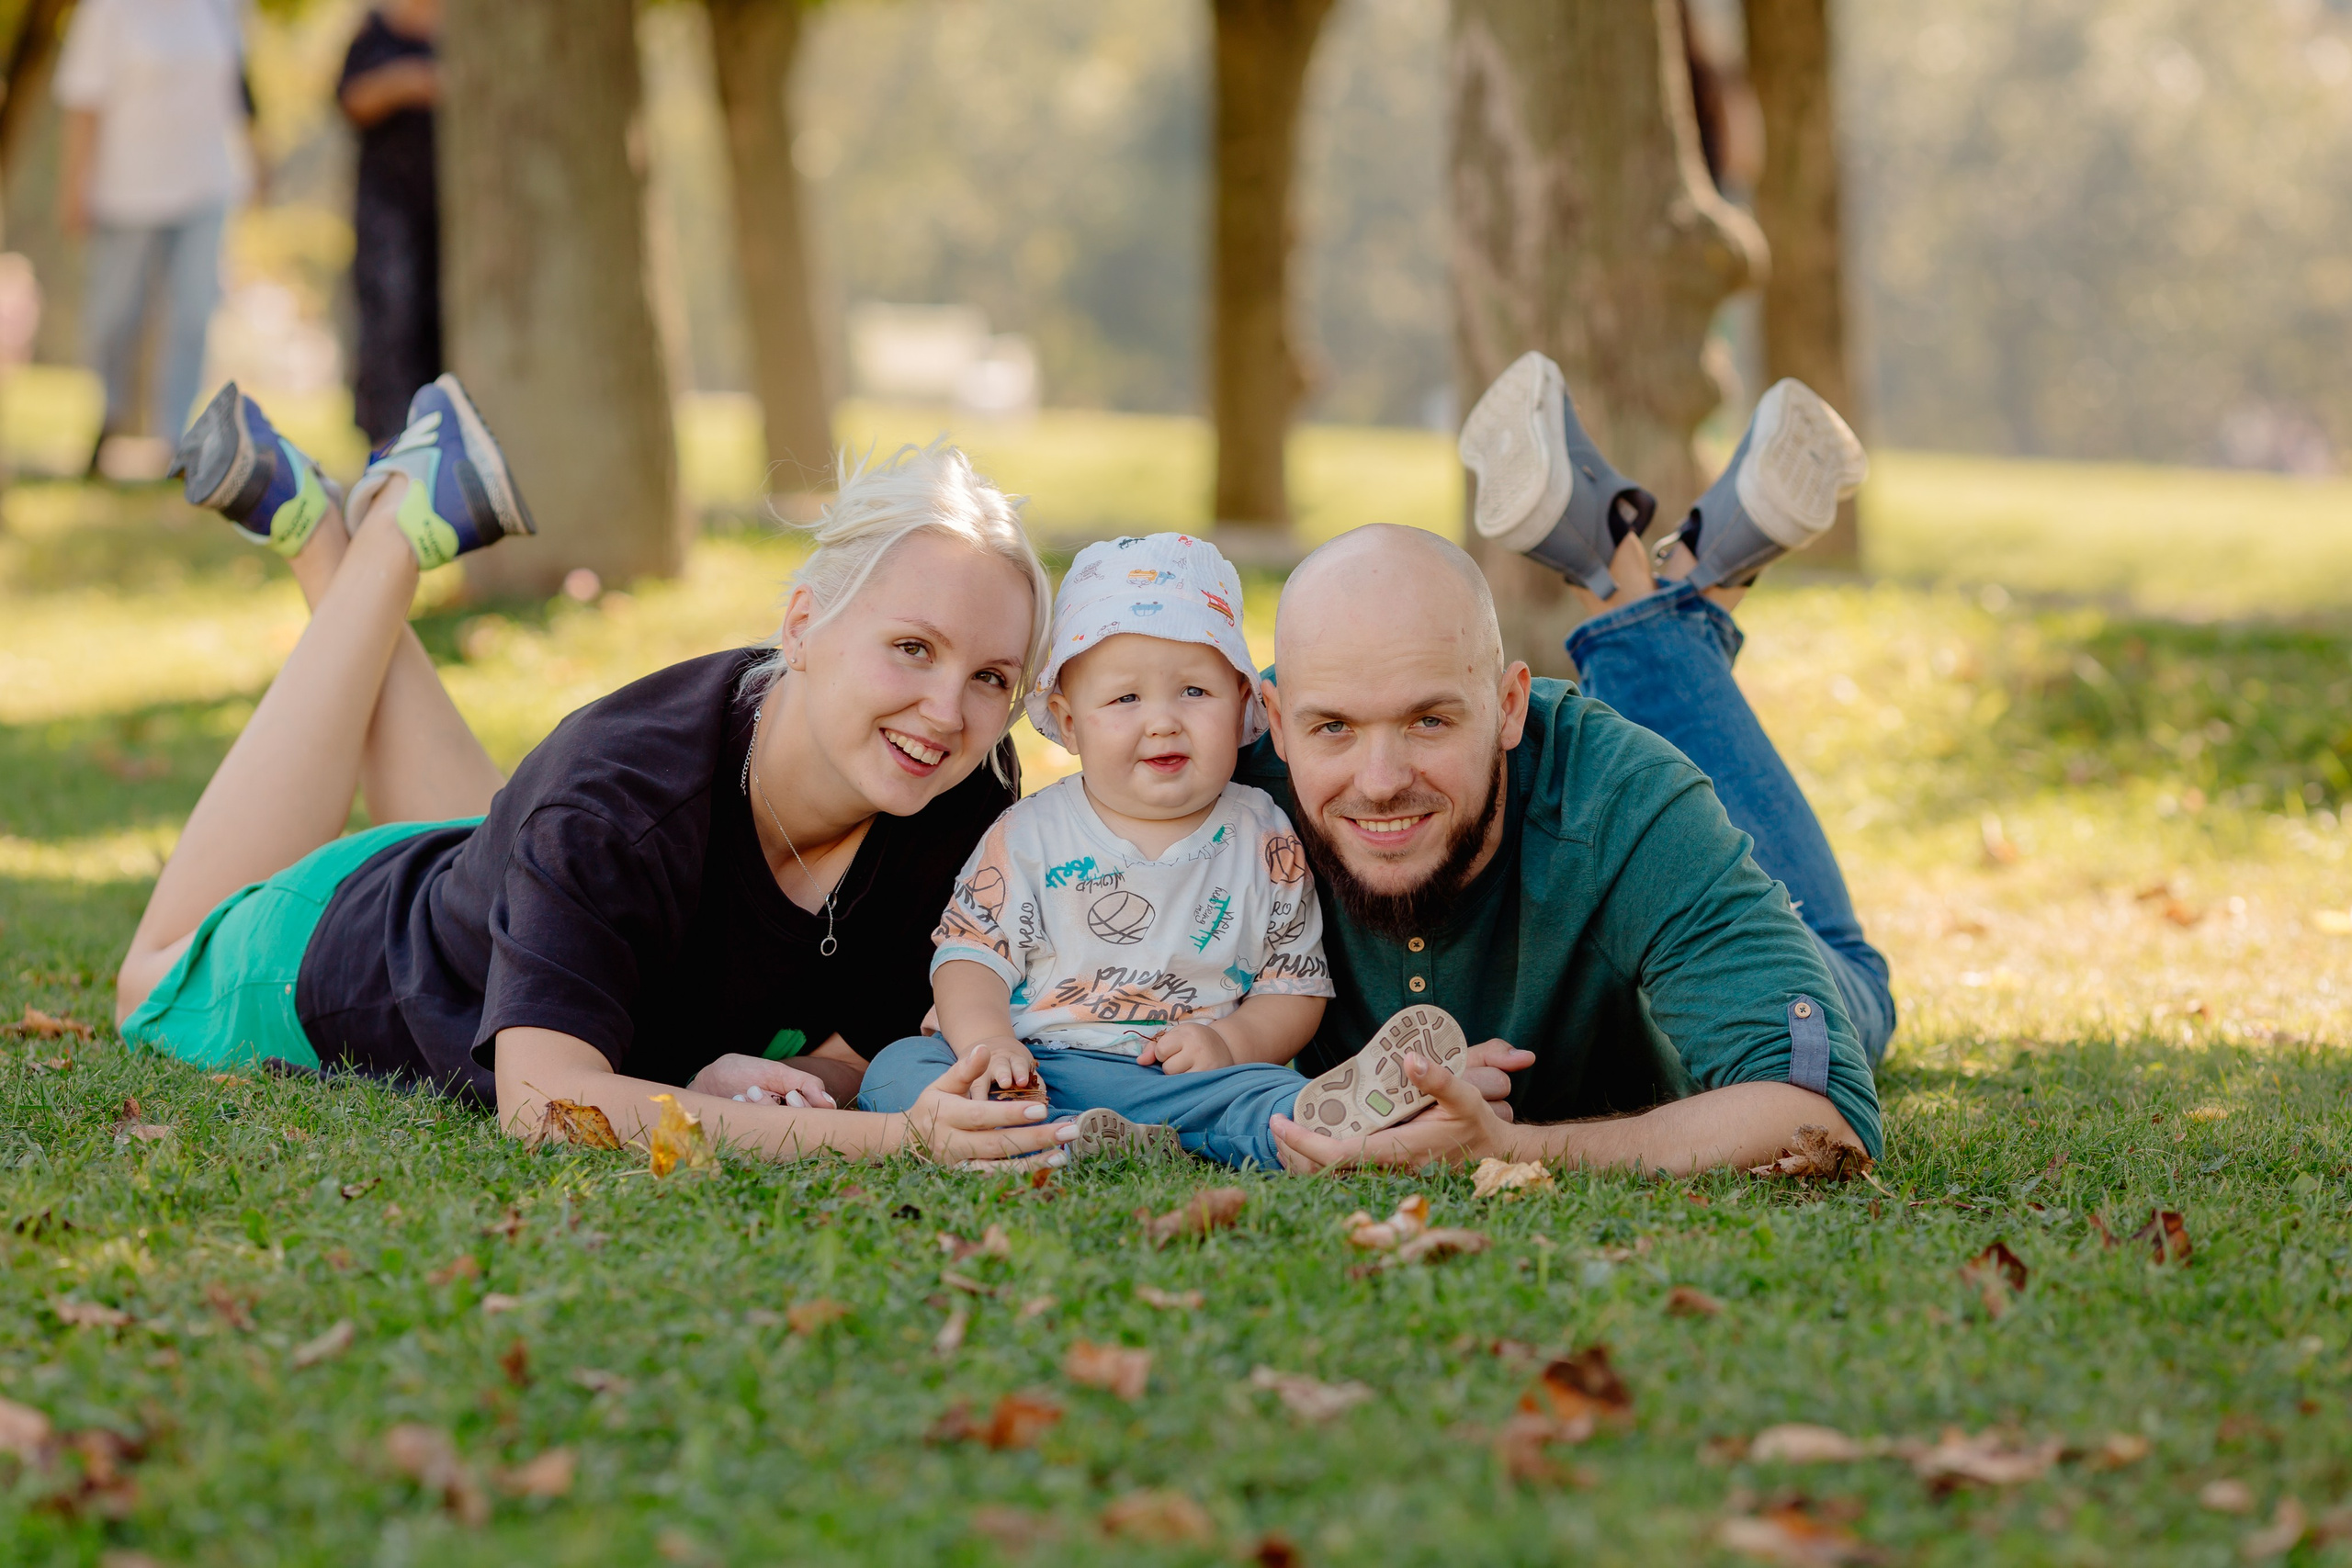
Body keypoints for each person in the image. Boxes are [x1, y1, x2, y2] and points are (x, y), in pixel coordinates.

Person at [116, 378, 1080, 1170]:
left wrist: (717, 1077)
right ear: (801, 626)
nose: (949, 712)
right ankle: (363, 538)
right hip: (322, 955)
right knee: (144, 987)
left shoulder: (962, 791)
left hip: (495, 872)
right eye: (912, 647)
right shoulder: (620, 798)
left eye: (991, 676)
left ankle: (338, 527)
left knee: (530, 840)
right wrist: (892, 1140)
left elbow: (851, 1049)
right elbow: (543, 1104)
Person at [1261, 352, 1893, 1176]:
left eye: (1429, 719)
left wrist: (1515, 1147)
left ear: (1511, 705)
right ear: (1274, 718)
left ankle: (1638, 582)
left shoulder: (1618, 797)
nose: (1380, 780)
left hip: (1749, 941)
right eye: (1334, 728)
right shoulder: (1216, 774)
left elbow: (1823, 1118)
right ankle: (1660, 583)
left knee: (1856, 981)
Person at [859, 535, 1468, 1168]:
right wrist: (989, 1041)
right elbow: (969, 956)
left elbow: (1292, 988)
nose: (1162, 722)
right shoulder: (1032, 833)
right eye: (1125, 698)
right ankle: (1044, 1128)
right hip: (1037, 1066)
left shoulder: (1264, 836)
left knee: (1271, 1095)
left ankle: (1323, 1127)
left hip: (1185, 1080)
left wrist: (1228, 1042)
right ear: (1069, 722)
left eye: (1194, 692)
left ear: (1241, 705)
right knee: (899, 1068)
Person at [55, 0, 256, 467]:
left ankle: (177, 438)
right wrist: (75, 184)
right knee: (114, 314)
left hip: (208, 184)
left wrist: (257, 155)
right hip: (127, 188)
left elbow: (242, 87)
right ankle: (110, 416)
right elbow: (83, 101)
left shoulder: (221, 8)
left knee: (192, 312)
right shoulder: (108, 11)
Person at [336, 0, 443, 447]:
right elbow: (349, 100)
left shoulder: (459, 31)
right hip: (388, 208)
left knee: (437, 322)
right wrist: (407, 83)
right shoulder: (374, 30)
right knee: (390, 319)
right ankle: (389, 438)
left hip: (444, 212)